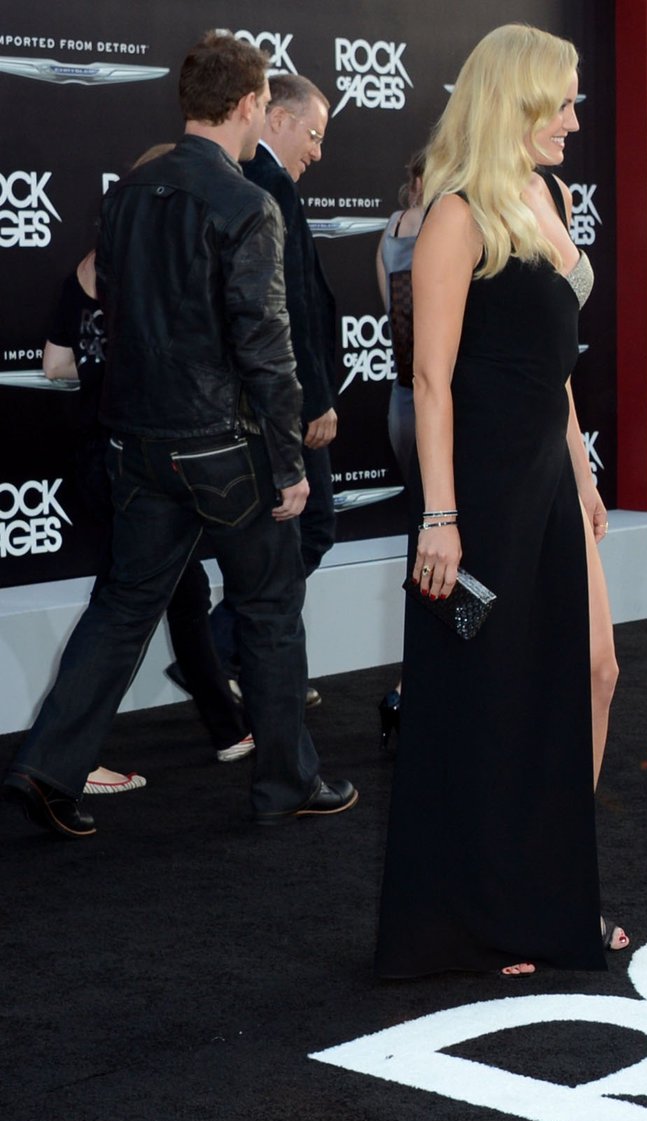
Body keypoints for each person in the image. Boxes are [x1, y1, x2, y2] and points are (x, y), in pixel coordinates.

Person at [4, 32, 351, 839]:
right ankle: (286, 785)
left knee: (125, 605)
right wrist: (289, 458)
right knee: (267, 609)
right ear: (244, 106)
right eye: (265, 102)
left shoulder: (128, 194)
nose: (266, 112)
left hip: (136, 444)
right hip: (223, 449)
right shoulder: (244, 203)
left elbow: (121, 323)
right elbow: (264, 345)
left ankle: (46, 765)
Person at [377, 22, 622, 977]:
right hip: (477, 489)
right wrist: (439, 516)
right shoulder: (456, 214)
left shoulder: (545, 193)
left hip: (548, 478)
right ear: (513, 102)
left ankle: (549, 888)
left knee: (592, 672)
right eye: (559, 101)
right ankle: (492, 914)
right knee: (490, 701)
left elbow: (554, 357)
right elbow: (431, 380)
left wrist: (581, 465)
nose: (573, 116)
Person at [40, 152, 255, 794]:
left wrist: (103, 370)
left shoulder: (85, 269)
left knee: (181, 592)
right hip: (139, 453)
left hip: (97, 453)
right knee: (121, 608)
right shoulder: (155, 274)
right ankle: (70, 759)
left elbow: (55, 364)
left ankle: (227, 729)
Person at [215, 70, 337, 694]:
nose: (317, 151)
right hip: (282, 400)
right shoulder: (266, 185)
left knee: (290, 538)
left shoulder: (248, 180)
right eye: (312, 134)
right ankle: (230, 657)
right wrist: (314, 400)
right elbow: (287, 310)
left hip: (250, 400)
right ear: (275, 118)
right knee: (307, 530)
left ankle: (236, 660)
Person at [374, 149, 428, 749]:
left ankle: (412, 691)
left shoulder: (391, 231)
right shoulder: (447, 227)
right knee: (444, 546)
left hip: (402, 401)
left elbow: (394, 321)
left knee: (427, 537)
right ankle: (420, 689)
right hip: (439, 409)